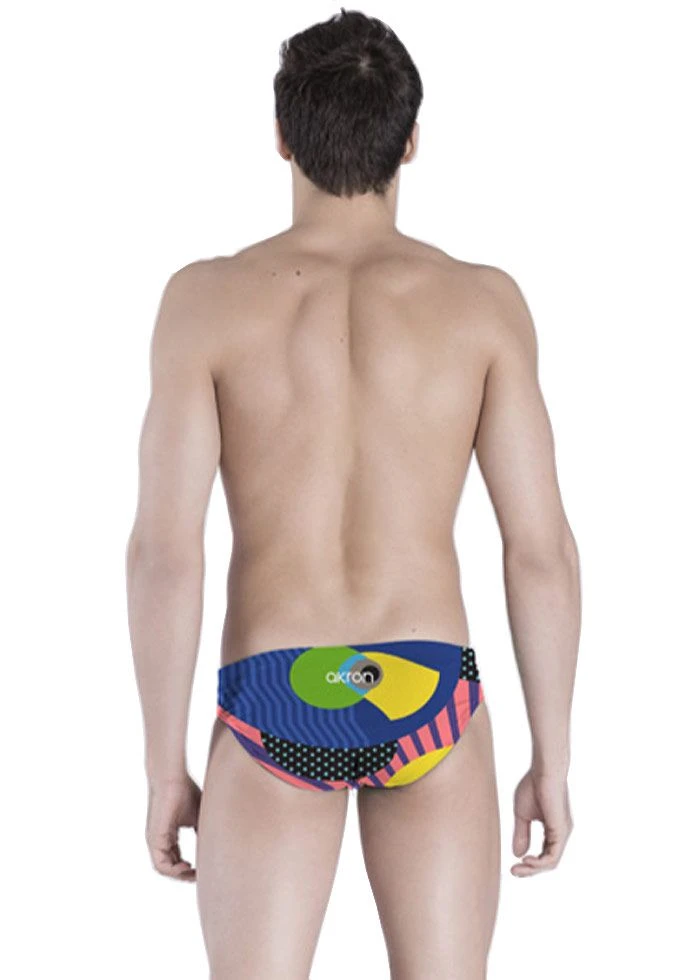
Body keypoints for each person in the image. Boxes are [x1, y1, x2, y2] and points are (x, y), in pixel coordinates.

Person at [126, 9, 580, 978]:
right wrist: (552, 756)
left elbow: (165, 552)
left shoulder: (203, 301)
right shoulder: (483, 305)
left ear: (280, 136)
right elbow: (538, 550)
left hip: (275, 690)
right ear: (410, 141)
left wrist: (166, 766)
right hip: (428, 692)